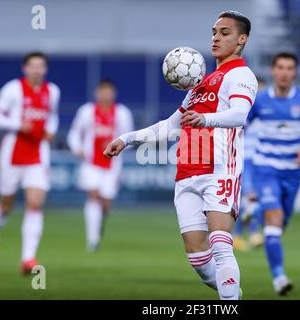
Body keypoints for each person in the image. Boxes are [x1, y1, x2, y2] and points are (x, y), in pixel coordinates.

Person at [104, 11, 258, 300]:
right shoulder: (199, 84)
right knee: (199, 258)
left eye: (224, 33)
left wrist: (207, 121)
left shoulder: (241, 74)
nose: (215, 37)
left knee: (221, 244)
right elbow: (170, 125)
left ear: (241, 40)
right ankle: (233, 295)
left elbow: (240, 114)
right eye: (214, 31)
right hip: (187, 172)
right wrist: (127, 139)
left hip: (219, 168)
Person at [247, 52, 300, 295]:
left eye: (289, 68)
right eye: (280, 67)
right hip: (266, 169)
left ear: (295, 73)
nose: (284, 72)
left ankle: (254, 211)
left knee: (281, 224)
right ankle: (279, 277)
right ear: (272, 71)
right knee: (275, 220)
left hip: (292, 173)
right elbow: (240, 127)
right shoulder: (259, 101)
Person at [0, 52, 60, 274]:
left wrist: (51, 131)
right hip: (12, 155)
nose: (36, 69)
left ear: (45, 69)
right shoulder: (13, 89)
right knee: (5, 205)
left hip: (38, 155)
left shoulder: (52, 92)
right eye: (32, 65)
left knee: (35, 204)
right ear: (25, 69)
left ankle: (28, 259)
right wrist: (17, 124)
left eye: (41, 66)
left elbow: (52, 116)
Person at [67, 80, 134, 251]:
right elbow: (74, 133)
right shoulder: (86, 111)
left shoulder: (122, 113)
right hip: (91, 163)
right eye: (102, 91)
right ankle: (92, 240)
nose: (105, 95)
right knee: (94, 196)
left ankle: (100, 222)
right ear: (97, 93)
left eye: (108, 91)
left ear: (114, 94)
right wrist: (77, 148)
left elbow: (130, 138)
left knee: (105, 201)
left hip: (112, 166)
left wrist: (118, 147)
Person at [233, 77, 266, 251]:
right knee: (249, 198)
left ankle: (237, 236)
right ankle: (254, 234)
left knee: (246, 200)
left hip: (259, 161)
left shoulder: (266, 115)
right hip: (244, 160)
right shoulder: (244, 112)